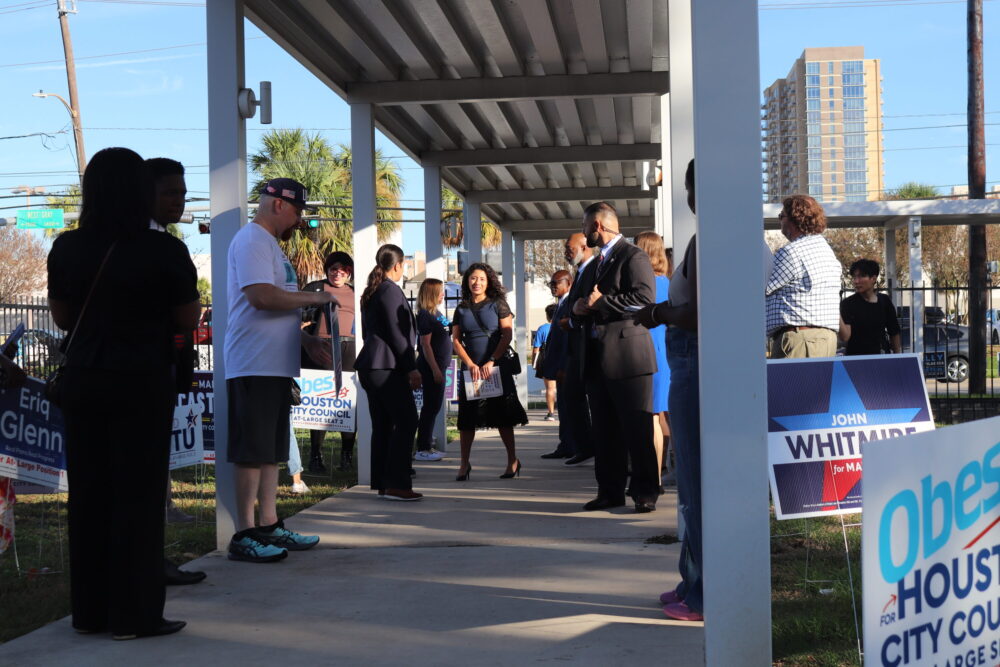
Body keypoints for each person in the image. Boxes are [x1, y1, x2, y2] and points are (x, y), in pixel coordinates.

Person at [47, 147, 200, 639]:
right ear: (139, 191)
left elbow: (64, 318)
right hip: (141, 380)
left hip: (85, 379)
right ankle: (133, 616)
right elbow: (187, 318)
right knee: (137, 498)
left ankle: (89, 613)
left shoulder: (66, 247)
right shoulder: (164, 250)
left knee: (89, 495)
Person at [224, 177, 331, 563]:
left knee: (270, 451)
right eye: (298, 211)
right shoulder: (252, 240)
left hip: (274, 365)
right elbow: (262, 297)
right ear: (279, 204)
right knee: (251, 452)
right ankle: (244, 533)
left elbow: (279, 304)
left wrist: (306, 341)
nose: (299, 220)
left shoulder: (270, 245)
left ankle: (269, 525)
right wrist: (318, 297)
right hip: (253, 363)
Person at [571, 202, 659, 514]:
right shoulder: (593, 264)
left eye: (584, 227)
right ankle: (609, 491)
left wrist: (602, 302)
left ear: (597, 225)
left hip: (629, 358)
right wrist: (579, 308)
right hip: (596, 358)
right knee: (604, 431)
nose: (583, 234)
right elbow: (579, 302)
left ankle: (646, 491)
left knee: (637, 429)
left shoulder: (633, 255)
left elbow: (644, 299)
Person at [355, 244, 423, 501]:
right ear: (397, 265)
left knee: (383, 425)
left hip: (371, 366)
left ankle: (384, 482)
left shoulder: (372, 291)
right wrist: (411, 367)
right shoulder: (390, 290)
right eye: (403, 265)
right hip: (387, 366)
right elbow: (398, 334)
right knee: (407, 421)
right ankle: (397, 483)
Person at [451, 263, 528, 480]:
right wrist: (470, 364)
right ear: (467, 281)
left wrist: (492, 360)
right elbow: (456, 340)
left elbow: (506, 335)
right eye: (473, 278)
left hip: (496, 368)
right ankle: (464, 464)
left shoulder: (498, 304)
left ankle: (512, 461)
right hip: (471, 371)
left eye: (482, 279)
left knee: (502, 417)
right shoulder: (462, 308)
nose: (477, 283)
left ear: (489, 281)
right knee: (467, 420)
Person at [766, 194, 842, 359]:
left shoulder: (791, 252)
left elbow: (763, 288)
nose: (779, 220)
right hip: (825, 339)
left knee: (786, 385)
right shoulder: (826, 251)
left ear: (795, 219)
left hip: (801, 340)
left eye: (781, 216)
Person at [302, 251, 356, 472]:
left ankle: (347, 455)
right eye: (333, 269)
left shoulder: (356, 291)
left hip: (350, 348)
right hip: (322, 346)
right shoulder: (315, 288)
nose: (338, 273)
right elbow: (298, 315)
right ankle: (316, 456)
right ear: (327, 270)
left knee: (348, 403)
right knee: (320, 402)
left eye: (343, 269)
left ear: (349, 272)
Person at [552, 233, 596, 466]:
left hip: (587, 347)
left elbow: (590, 306)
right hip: (575, 348)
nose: (567, 252)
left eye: (569, 248)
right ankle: (583, 446)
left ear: (584, 246)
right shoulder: (580, 271)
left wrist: (571, 322)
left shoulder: (594, 269)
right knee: (571, 399)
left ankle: (588, 446)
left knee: (585, 400)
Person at [634, 231, 671, 486]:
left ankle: (653, 474)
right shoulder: (668, 282)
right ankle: (664, 464)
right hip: (665, 351)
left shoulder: (644, 283)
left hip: (647, 351)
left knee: (650, 415)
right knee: (662, 413)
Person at [539, 270, 575, 459]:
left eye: (557, 283)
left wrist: (563, 366)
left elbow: (568, 339)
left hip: (566, 366)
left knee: (569, 407)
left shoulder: (569, 304)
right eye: (551, 283)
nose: (553, 286)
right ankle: (567, 444)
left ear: (568, 283)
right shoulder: (560, 304)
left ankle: (571, 445)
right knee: (564, 406)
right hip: (559, 366)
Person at [414, 278, 451, 462]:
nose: (443, 294)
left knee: (434, 406)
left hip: (440, 366)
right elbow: (425, 345)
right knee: (430, 407)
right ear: (431, 293)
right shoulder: (425, 315)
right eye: (440, 291)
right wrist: (435, 370)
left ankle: (427, 444)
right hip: (431, 368)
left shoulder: (436, 312)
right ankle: (423, 448)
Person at [532, 305, 556, 420]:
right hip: (563, 358)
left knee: (550, 388)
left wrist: (534, 363)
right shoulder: (562, 325)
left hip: (547, 359)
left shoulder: (542, 328)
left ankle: (551, 413)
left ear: (547, 316)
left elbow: (536, 348)